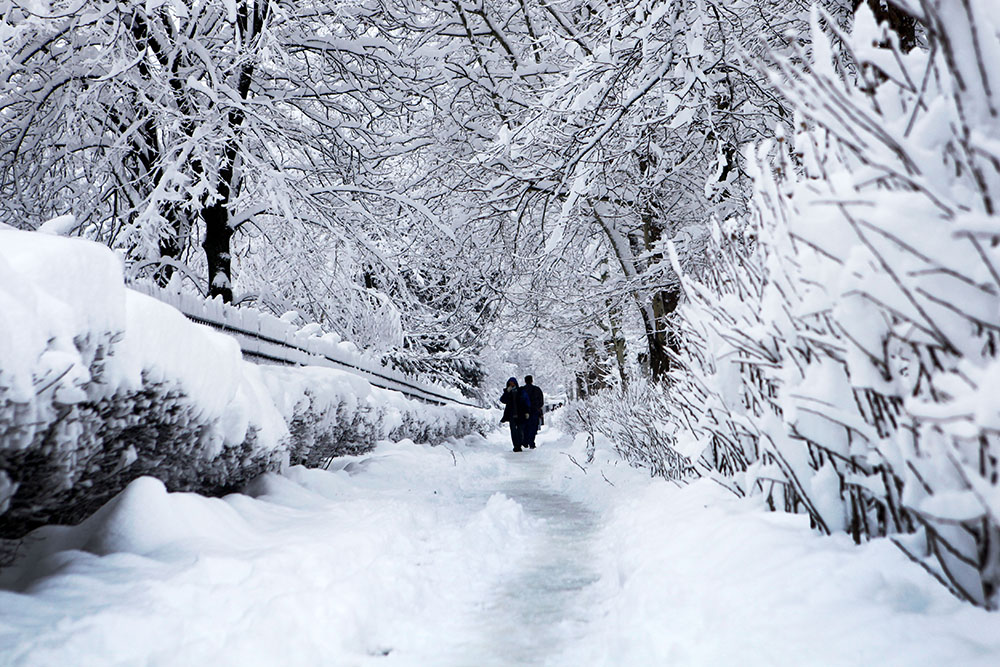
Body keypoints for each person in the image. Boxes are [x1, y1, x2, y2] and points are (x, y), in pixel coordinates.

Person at [499, 377, 529, 452]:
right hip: (511, 414)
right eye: (510, 383)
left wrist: (527, 411)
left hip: (520, 413)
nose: (511, 384)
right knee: (513, 430)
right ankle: (516, 446)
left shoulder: (521, 391)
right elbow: (502, 400)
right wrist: (507, 392)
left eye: (513, 383)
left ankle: (520, 443)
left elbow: (526, 402)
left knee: (520, 430)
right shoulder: (508, 392)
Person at [522, 375, 544, 449]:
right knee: (533, 427)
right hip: (534, 411)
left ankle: (525, 442)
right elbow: (541, 401)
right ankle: (531, 442)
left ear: (525, 381)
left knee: (525, 427)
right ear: (532, 380)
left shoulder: (522, 390)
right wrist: (538, 407)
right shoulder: (537, 389)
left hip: (524, 412)